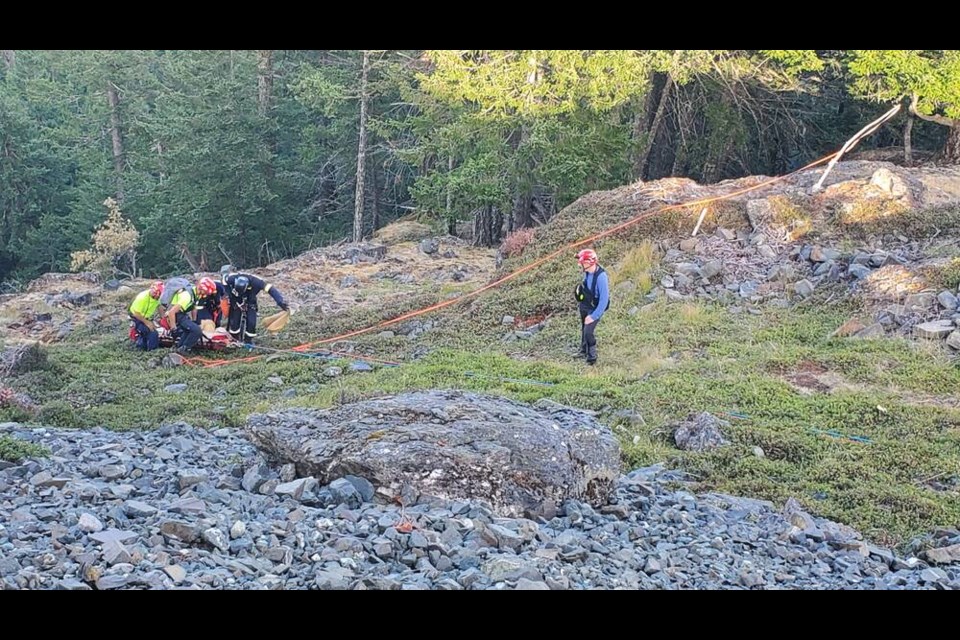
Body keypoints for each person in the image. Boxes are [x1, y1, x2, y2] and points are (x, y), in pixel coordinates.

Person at [222, 271, 289, 344]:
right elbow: (224, 280)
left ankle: (248, 340)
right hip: (236, 298)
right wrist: (229, 294)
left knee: (251, 322)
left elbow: (271, 289)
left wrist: (280, 302)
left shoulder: (257, 282)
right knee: (234, 320)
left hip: (250, 298)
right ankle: (234, 338)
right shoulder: (232, 278)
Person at [574, 249, 610, 366]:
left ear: (590, 262)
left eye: (582, 262)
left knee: (588, 332)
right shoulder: (587, 272)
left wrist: (594, 316)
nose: (580, 265)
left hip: (595, 307)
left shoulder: (601, 277)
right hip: (585, 304)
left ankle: (592, 356)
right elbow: (587, 285)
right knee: (584, 327)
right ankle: (584, 350)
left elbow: (604, 301)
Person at [165, 277, 217, 353]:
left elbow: (194, 308)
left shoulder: (196, 294)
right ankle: (184, 349)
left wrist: (194, 321)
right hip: (176, 315)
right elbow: (172, 312)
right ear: (202, 289)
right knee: (197, 331)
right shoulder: (187, 296)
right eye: (206, 293)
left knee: (189, 330)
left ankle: (179, 348)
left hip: (182, 314)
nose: (206, 295)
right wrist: (173, 329)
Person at [128, 281, 165, 351]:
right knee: (153, 332)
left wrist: (163, 319)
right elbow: (136, 313)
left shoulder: (156, 298)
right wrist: (147, 323)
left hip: (146, 318)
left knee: (148, 333)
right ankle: (153, 351)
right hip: (136, 318)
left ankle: (141, 346)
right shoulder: (142, 298)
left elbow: (159, 306)